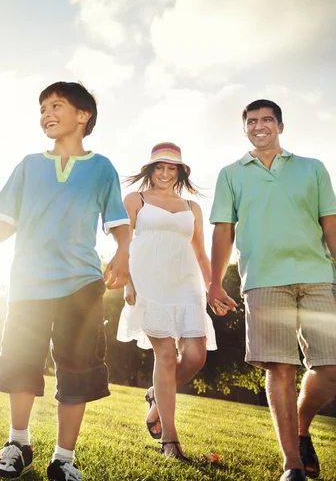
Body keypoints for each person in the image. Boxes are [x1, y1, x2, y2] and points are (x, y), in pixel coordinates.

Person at [0, 82, 130, 481]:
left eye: (56, 106)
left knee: (77, 368)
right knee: (21, 361)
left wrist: (124, 252)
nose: (46, 114)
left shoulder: (101, 167)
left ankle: (64, 459)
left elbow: (118, 221)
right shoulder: (28, 165)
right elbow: (9, 220)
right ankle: (18, 444)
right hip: (28, 283)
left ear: (83, 116)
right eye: (42, 108)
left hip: (82, 283)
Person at [209, 99, 336, 481]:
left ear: (280, 125)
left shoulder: (312, 168)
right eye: (251, 121)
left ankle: (299, 429)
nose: (259, 126)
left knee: (330, 368)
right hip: (263, 279)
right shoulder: (231, 173)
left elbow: (329, 224)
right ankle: (291, 464)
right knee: (279, 366)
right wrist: (214, 281)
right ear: (244, 128)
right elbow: (223, 231)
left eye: (267, 119)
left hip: (316, 274)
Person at [116, 142, 217, 463]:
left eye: (171, 168)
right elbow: (123, 243)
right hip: (148, 281)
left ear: (180, 172)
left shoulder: (192, 208)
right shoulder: (136, 200)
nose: (164, 173)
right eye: (158, 167)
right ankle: (170, 441)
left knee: (196, 356)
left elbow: (201, 251)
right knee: (165, 355)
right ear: (149, 169)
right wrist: (127, 282)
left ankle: (155, 396)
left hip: (187, 284)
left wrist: (213, 288)